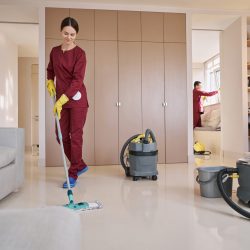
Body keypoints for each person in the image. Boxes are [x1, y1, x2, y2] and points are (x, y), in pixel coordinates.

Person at [47, 17, 89, 188]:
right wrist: (49, 81)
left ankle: (73, 174)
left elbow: (77, 81)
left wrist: (63, 99)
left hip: (77, 101)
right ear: (60, 32)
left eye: (72, 34)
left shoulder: (80, 54)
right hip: (61, 101)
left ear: (76, 35)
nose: (69, 37)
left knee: (75, 136)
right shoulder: (54, 51)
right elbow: (50, 70)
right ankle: (80, 164)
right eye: (66, 33)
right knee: (60, 135)